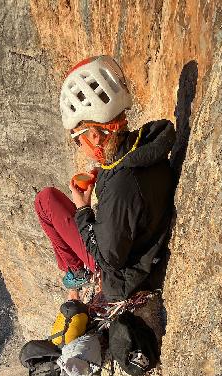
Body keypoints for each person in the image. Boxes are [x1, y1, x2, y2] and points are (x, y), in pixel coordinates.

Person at [35, 55, 176, 302]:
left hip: (120, 274)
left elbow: (107, 258)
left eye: (77, 139)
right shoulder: (141, 149)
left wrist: (83, 210)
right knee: (46, 200)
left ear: (95, 136)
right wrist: (107, 173)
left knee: (44, 202)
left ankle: (77, 271)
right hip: (132, 241)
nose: (79, 146)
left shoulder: (123, 186)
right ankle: (75, 269)